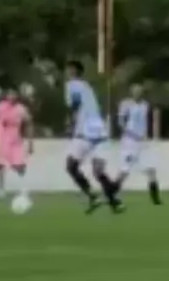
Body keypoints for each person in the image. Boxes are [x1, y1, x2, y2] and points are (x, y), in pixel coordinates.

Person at [63, 60, 122, 213]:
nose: (68, 72)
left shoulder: (72, 85)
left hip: (85, 131)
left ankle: (93, 196)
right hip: (99, 130)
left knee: (71, 166)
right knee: (98, 172)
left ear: (74, 71)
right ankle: (114, 201)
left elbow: (74, 104)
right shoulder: (87, 87)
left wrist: (69, 122)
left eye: (70, 69)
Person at [113, 83, 161, 206]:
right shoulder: (126, 104)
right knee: (125, 170)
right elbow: (121, 123)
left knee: (151, 169)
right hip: (130, 142)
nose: (138, 93)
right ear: (131, 92)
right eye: (135, 91)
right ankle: (111, 193)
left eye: (140, 91)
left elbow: (150, 121)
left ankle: (155, 199)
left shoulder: (146, 105)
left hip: (142, 142)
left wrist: (149, 135)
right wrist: (131, 134)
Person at [0, 87, 33, 201]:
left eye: (14, 94)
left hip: (15, 140)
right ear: (6, 95)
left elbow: (29, 123)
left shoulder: (21, 109)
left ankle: (24, 189)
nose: (12, 97)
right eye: (10, 94)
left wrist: (30, 142)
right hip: (1, 139)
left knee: (19, 165)